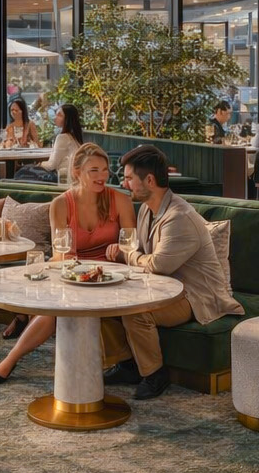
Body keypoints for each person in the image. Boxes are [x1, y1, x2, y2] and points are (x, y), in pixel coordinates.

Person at [101, 144, 243, 399]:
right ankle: (129, 364)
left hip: (195, 295)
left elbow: (157, 265)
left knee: (137, 313)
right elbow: (144, 254)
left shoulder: (179, 216)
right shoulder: (147, 208)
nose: (125, 183)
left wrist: (126, 255)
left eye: (130, 178)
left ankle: (155, 375)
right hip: (164, 288)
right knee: (105, 301)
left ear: (150, 180)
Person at [0, 143, 136, 382]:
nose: (102, 176)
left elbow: (131, 244)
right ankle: (11, 359)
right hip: (73, 272)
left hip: (112, 276)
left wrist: (119, 251)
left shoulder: (120, 201)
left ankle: (13, 359)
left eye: (105, 170)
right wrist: (69, 263)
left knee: (61, 308)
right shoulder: (61, 204)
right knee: (58, 308)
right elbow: (60, 251)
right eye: (94, 171)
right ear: (77, 172)